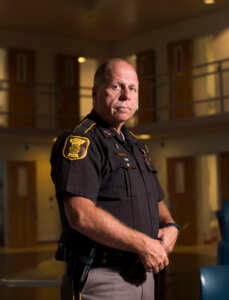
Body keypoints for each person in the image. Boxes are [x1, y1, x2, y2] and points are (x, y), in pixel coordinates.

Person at [50, 58, 180, 300]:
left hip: (144, 272)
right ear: (96, 92)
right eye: (116, 86)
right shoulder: (82, 142)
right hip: (105, 276)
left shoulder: (135, 146)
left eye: (132, 88)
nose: (125, 95)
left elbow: (155, 199)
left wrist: (171, 225)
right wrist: (142, 244)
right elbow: (80, 215)